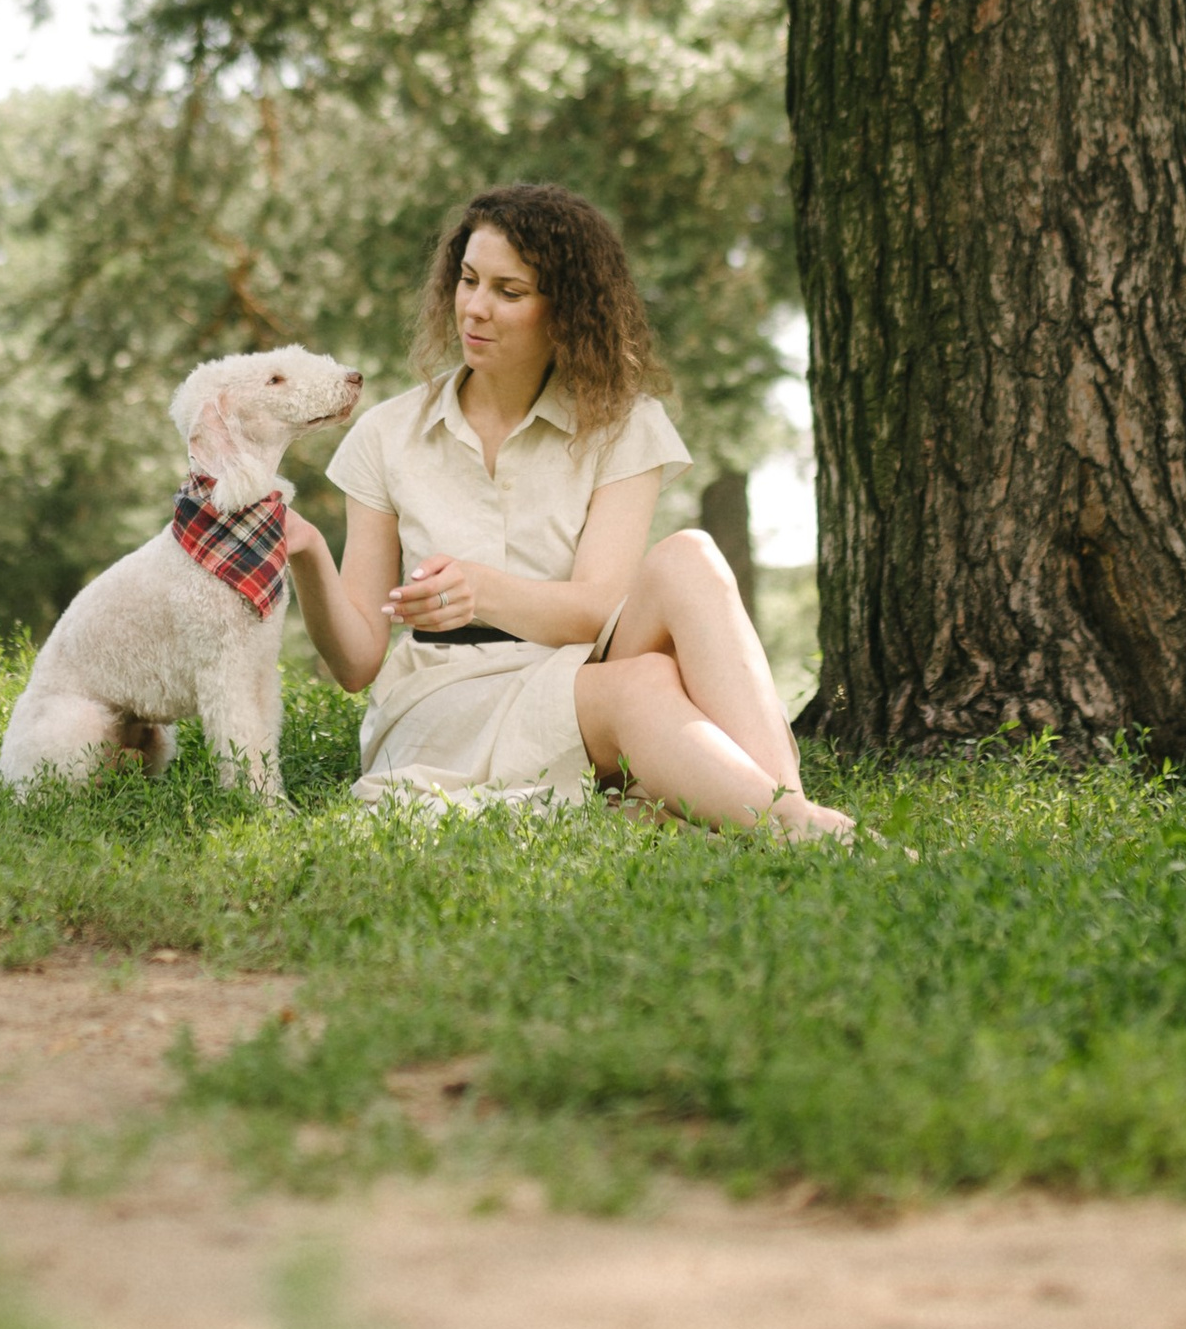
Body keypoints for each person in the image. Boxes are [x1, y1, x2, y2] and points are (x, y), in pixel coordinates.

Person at [286, 183, 852, 842]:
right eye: (468, 280)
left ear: (566, 310)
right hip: (446, 699)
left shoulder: (624, 423)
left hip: (577, 670)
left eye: (509, 291)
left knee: (689, 557)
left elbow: (601, 605)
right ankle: (805, 830)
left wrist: (483, 591)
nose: (475, 308)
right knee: (643, 684)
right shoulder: (388, 434)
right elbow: (357, 664)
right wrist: (306, 555)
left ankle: (788, 816)